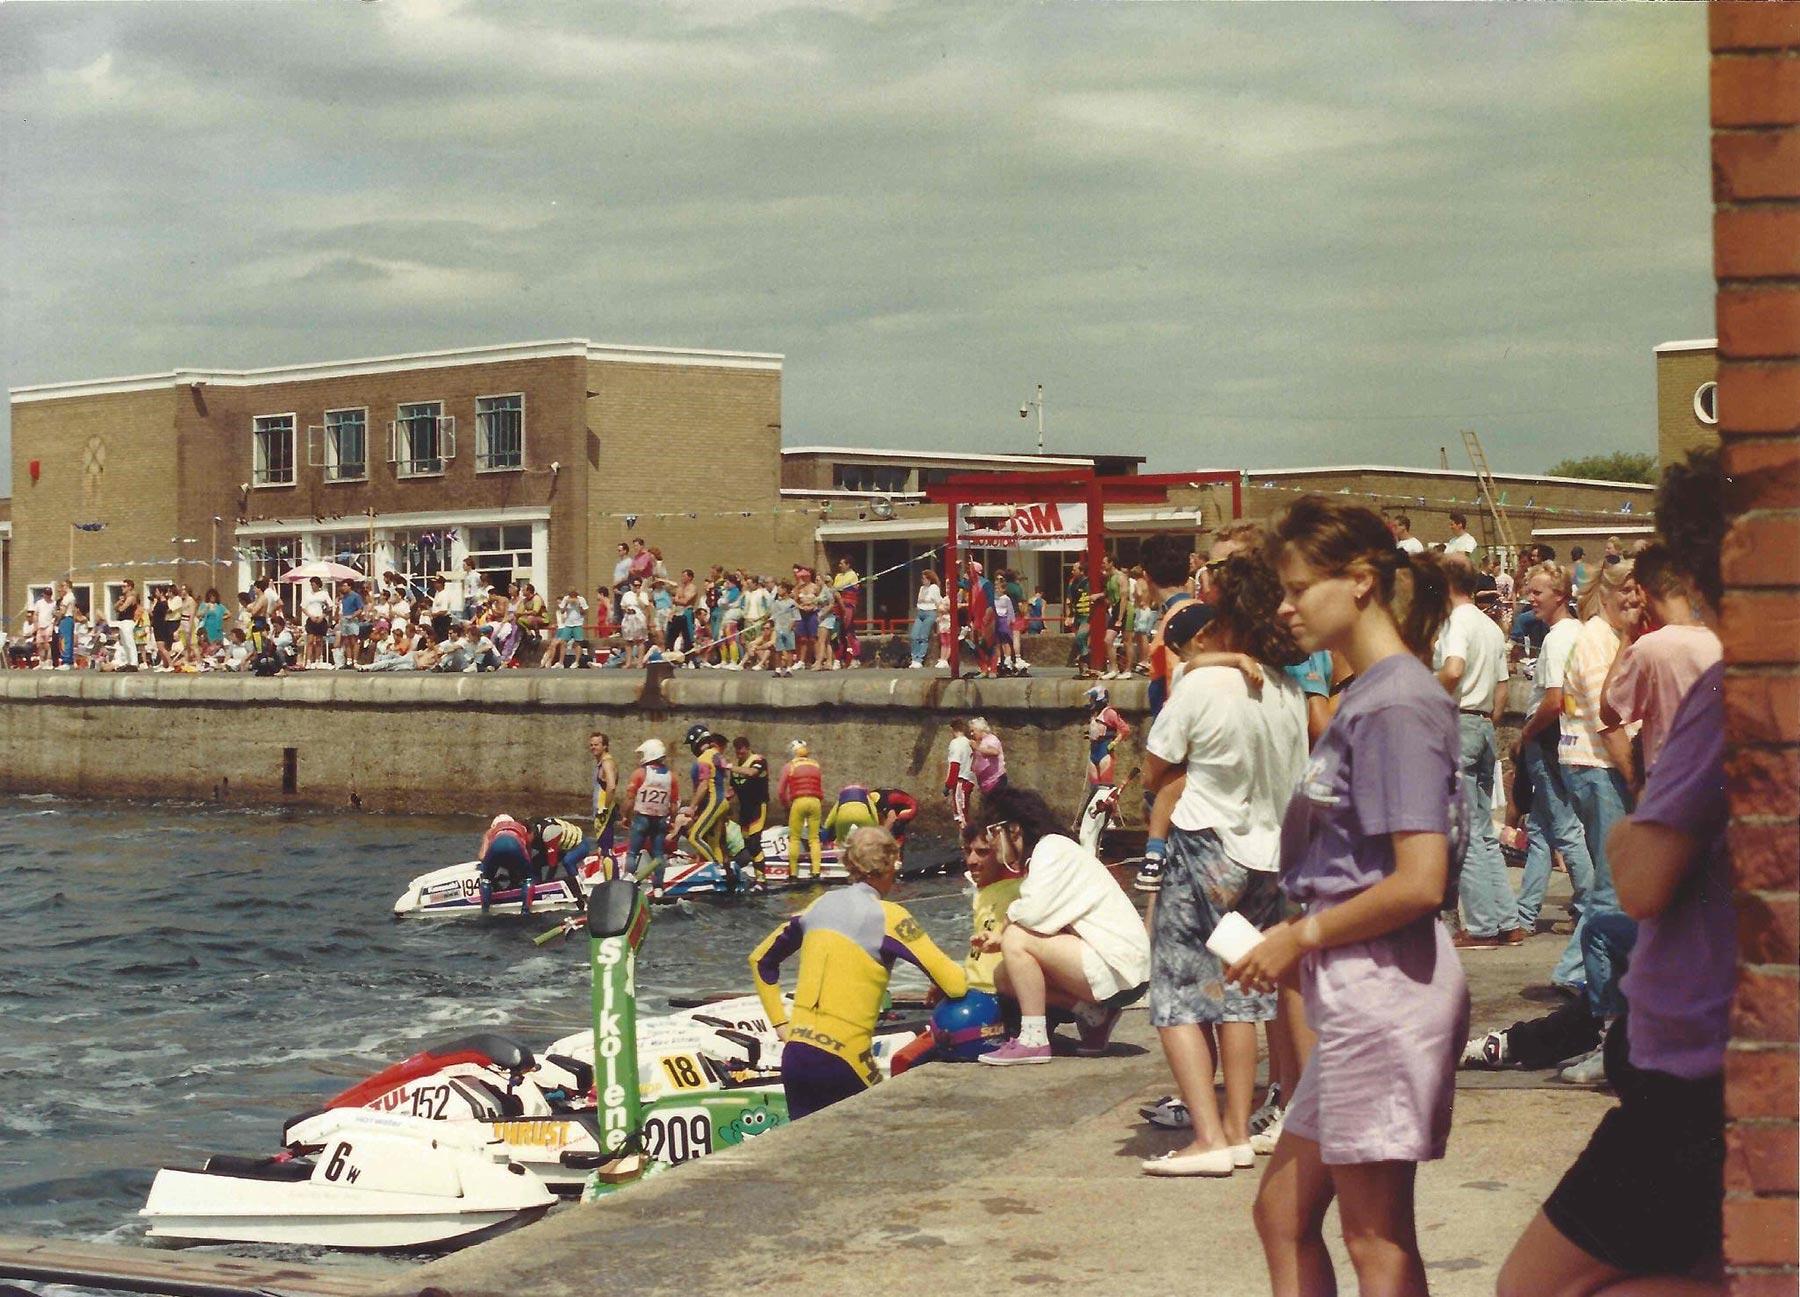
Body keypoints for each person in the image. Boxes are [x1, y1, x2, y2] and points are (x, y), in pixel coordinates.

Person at [1497, 449, 1731, 1297]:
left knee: (1533, 1285)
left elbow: (1638, 877)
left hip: (1694, 1067)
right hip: (1739, 1057)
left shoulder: (1734, 695)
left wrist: (1638, 814)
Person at [1224, 495, 1465, 1297]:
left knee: (1375, 1233)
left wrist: (1301, 936)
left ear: (1360, 582)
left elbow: (1419, 878)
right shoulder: (1370, 693)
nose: (1285, 608)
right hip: (1358, 986)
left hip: (1382, 991)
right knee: (1282, 1214)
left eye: (1298, 589)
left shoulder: (1395, 701)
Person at [1139, 550, 1309, 1178]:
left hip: (1206, 841)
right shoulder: (1287, 688)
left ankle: (1209, 1135)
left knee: (1180, 994)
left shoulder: (1202, 684)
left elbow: (1158, 767)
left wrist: (1194, 669)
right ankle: (1239, 1129)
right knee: (1239, 990)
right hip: (1268, 854)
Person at [750, 826, 967, 1119]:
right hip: (844, 1058)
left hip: (796, 1053)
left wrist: (780, 1023)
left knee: (809, 1156)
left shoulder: (818, 905)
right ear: (889, 865)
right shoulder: (890, 916)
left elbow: (761, 960)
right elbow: (955, 984)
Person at [976, 785, 1150, 1064]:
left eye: (992, 833)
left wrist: (1004, 931)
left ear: (1014, 830)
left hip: (1120, 967)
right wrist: (1001, 934)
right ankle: (1094, 1016)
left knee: (1017, 939)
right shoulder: (1052, 851)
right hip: (1116, 967)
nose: (990, 842)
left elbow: (1032, 914)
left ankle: (1033, 1039)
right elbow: (1043, 914)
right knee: (1004, 976)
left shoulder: (1051, 850)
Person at [1514, 560, 1598, 991]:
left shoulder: (1557, 639)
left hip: (1546, 739)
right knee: (1544, 830)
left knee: (1563, 830)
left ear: (1559, 595)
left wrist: (1526, 735)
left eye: (1538, 592)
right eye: (1530, 591)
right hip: (1561, 737)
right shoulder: (1577, 633)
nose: (1532, 598)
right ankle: (1525, 911)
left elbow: (1553, 699)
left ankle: (1587, 905)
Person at [1434, 553, 1522, 949]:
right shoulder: (1487, 625)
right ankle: (1507, 919)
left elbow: (1452, 670)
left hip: (1460, 720)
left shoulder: (1456, 623)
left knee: (1465, 833)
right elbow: (1502, 685)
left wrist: (1421, 694)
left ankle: (1484, 925)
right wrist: (1490, 720)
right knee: (1485, 831)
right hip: (1485, 723)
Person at [623, 738, 678, 888]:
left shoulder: (639, 774)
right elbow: (673, 804)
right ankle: (658, 887)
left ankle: (628, 882)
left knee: (632, 852)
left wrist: (625, 816)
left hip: (641, 817)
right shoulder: (671, 777)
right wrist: (672, 821)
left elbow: (629, 799)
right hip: (660, 820)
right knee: (658, 855)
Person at [681, 725, 732, 868]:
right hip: (721, 803)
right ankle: (726, 872)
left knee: (694, 837)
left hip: (714, 802)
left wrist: (692, 807)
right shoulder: (716, 754)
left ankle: (716, 868)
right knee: (714, 842)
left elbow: (703, 785)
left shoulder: (704, 758)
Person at [778, 739, 825, 880]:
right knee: (814, 839)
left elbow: (781, 791)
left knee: (794, 839)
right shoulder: (816, 765)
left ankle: (793, 873)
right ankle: (816, 871)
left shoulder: (789, 766)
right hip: (816, 802)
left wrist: (786, 805)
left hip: (799, 802)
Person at [729, 737, 771, 878]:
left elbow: (752, 772)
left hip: (758, 807)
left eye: (741, 750)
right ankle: (745, 873)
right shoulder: (736, 766)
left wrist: (730, 767)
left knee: (754, 842)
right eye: (737, 751)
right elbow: (732, 788)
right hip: (744, 809)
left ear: (747, 748)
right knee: (746, 844)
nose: (739, 754)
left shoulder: (758, 760)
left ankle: (761, 879)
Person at [476, 814, 535, 914]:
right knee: (528, 878)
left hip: (496, 847)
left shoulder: (490, 832)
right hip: (516, 846)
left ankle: (485, 911)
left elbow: (482, 856)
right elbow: (528, 856)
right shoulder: (522, 829)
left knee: (486, 879)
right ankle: (525, 910)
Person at [588, 732, 619, 856]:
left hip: (604, 811)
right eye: (591, 745)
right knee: (602, 846)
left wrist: (605, 808)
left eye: (596, 744)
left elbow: (611, 787)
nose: (593, 747)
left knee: (606, 849)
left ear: (605, 746)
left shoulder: (607, 763)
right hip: (600, 811)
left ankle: (611, 874)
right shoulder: (601, 763)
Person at [944, 717, 976, 830]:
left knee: (961, 816)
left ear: (952, 729)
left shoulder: (956, 744)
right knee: (965, 812)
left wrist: (948, 785)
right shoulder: (969, 743)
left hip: (960, 782)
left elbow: (955, 765)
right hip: (969, 780)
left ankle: (966, 844)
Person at [968, 716, 1007, 800]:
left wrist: (976, 748)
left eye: (973, 731)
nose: (971, 734)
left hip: (996, 781)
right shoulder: (981, 742)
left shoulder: (991, 739)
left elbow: (995, 752)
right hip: (985, 783)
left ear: (980, 729)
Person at [110, 580, 141, 669]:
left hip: (128, 621)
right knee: (124, 643)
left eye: (124, 586)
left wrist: (121, 605)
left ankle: (134, 662)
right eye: (122, 586)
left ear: (130, 587)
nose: (122, 588)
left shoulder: (131, 597)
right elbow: (115, 608)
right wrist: (119, 602)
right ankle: (128, 661)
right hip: (122, 622)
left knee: (129, 642)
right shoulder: (124, 598)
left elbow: (122, 609)